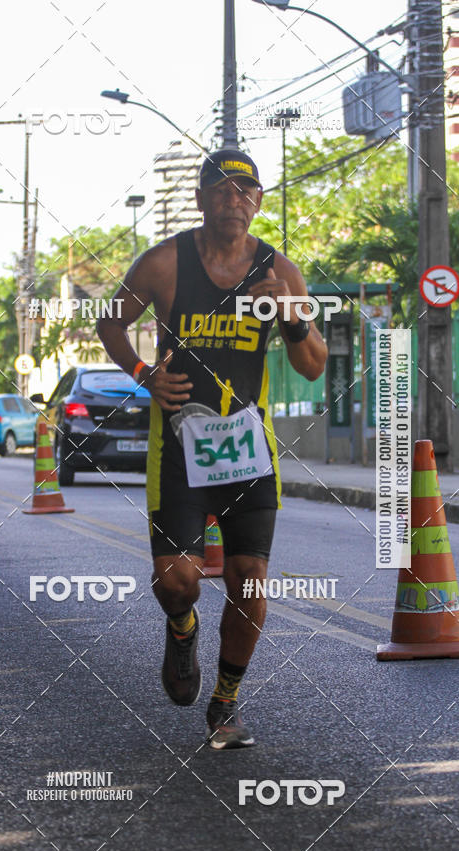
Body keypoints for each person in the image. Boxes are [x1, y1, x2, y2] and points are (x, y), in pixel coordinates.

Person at [97, 148, 327, 749]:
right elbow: (110, 321)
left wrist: (291, 318)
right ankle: (181, 627)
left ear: (258, 203)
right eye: (222, 190)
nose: (234, 199)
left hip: (248, 453)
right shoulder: (164, 263)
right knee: (178, 581)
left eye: (246, 191)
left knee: (250, 583)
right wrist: (145, 374)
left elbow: (312, 366)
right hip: (177, 449)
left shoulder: (280, 272)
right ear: (199, 199)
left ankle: (225, 704)